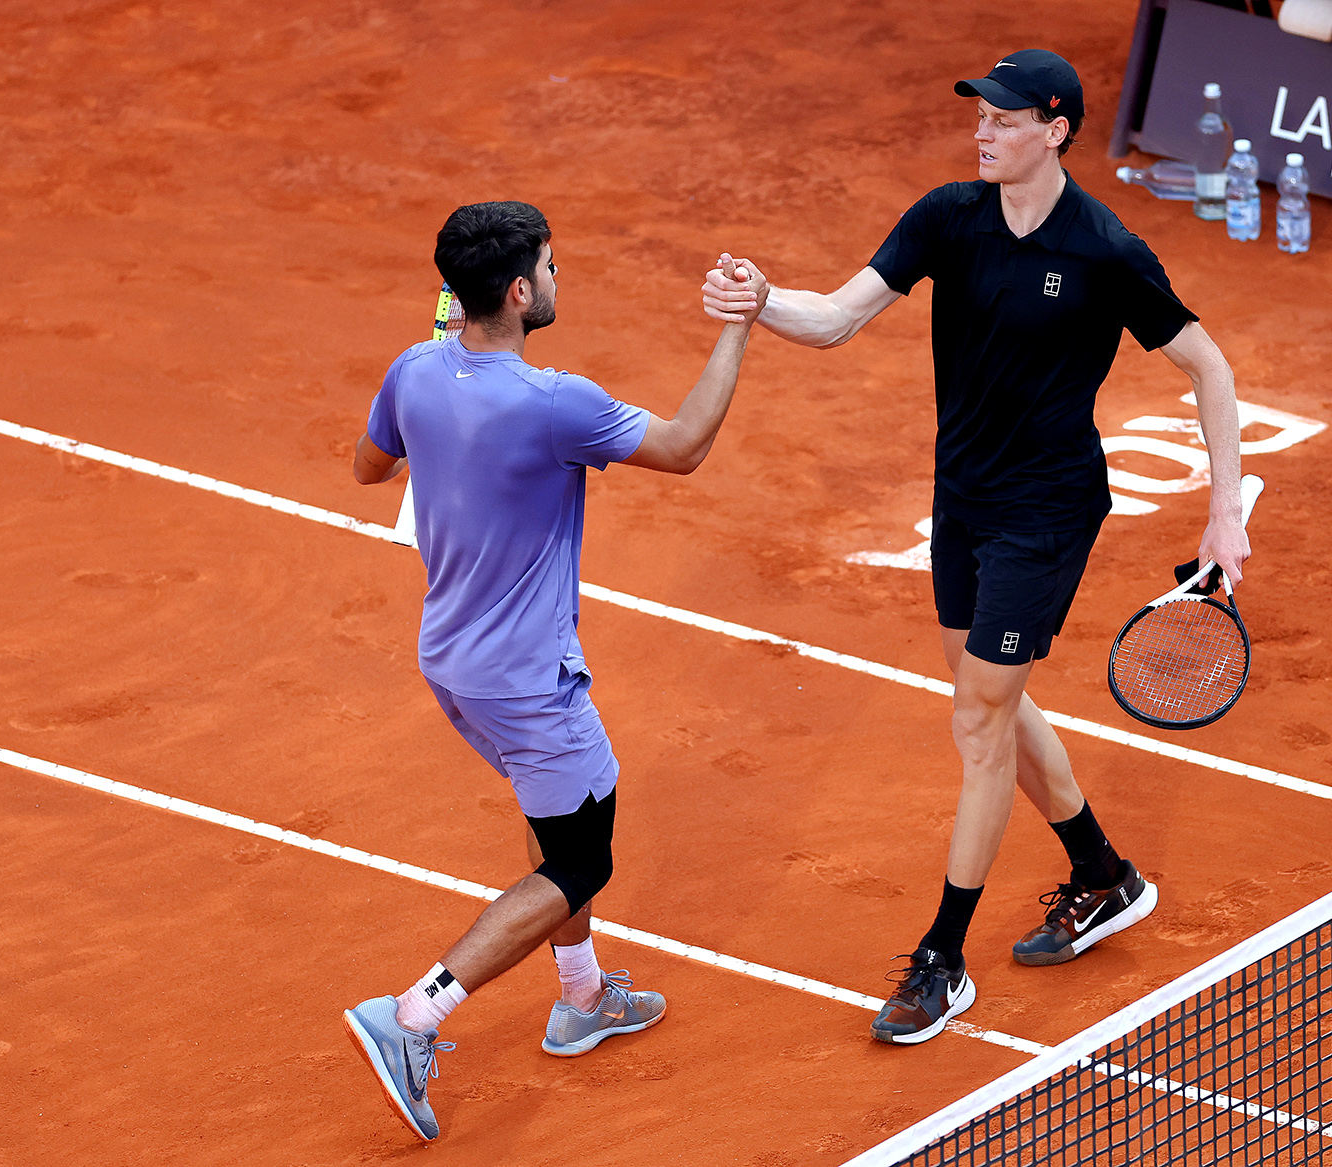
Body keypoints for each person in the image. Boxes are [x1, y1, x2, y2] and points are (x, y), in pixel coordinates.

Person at [702, 49, 1250, 1045]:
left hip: (1044, 514)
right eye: (979, 117)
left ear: (1054, 130)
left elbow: (1207, 367)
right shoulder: (946, 219)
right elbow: (832, 319)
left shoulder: (1104, 251)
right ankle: (1101, 874)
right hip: (960, 501)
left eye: (1001, 119)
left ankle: (941, 959)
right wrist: (762, 299)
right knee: (982, 694)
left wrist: (1224, 513)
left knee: (978, 722)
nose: (980, 132)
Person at [344, 200, 766, 1139]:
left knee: (556, 820)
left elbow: (372, 470)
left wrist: (441, 411)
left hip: (450, 662)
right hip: (530, 678)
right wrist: (738, 329)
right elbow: (686, 445)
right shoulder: (554, 401)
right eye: (551, 265)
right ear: (517, 290)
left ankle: (582, 998)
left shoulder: (414, 368)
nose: (559, 277)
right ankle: (413, 1013)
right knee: (582, 859)